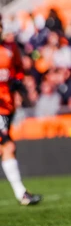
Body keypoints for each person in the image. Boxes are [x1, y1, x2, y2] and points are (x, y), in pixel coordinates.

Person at [0, 20, 42, 205]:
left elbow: (17, 72)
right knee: (8, 146)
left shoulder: (10, 48)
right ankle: (21, 193)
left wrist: (18, 85)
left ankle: (21, 193)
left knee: (6, 148)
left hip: (7, 106)